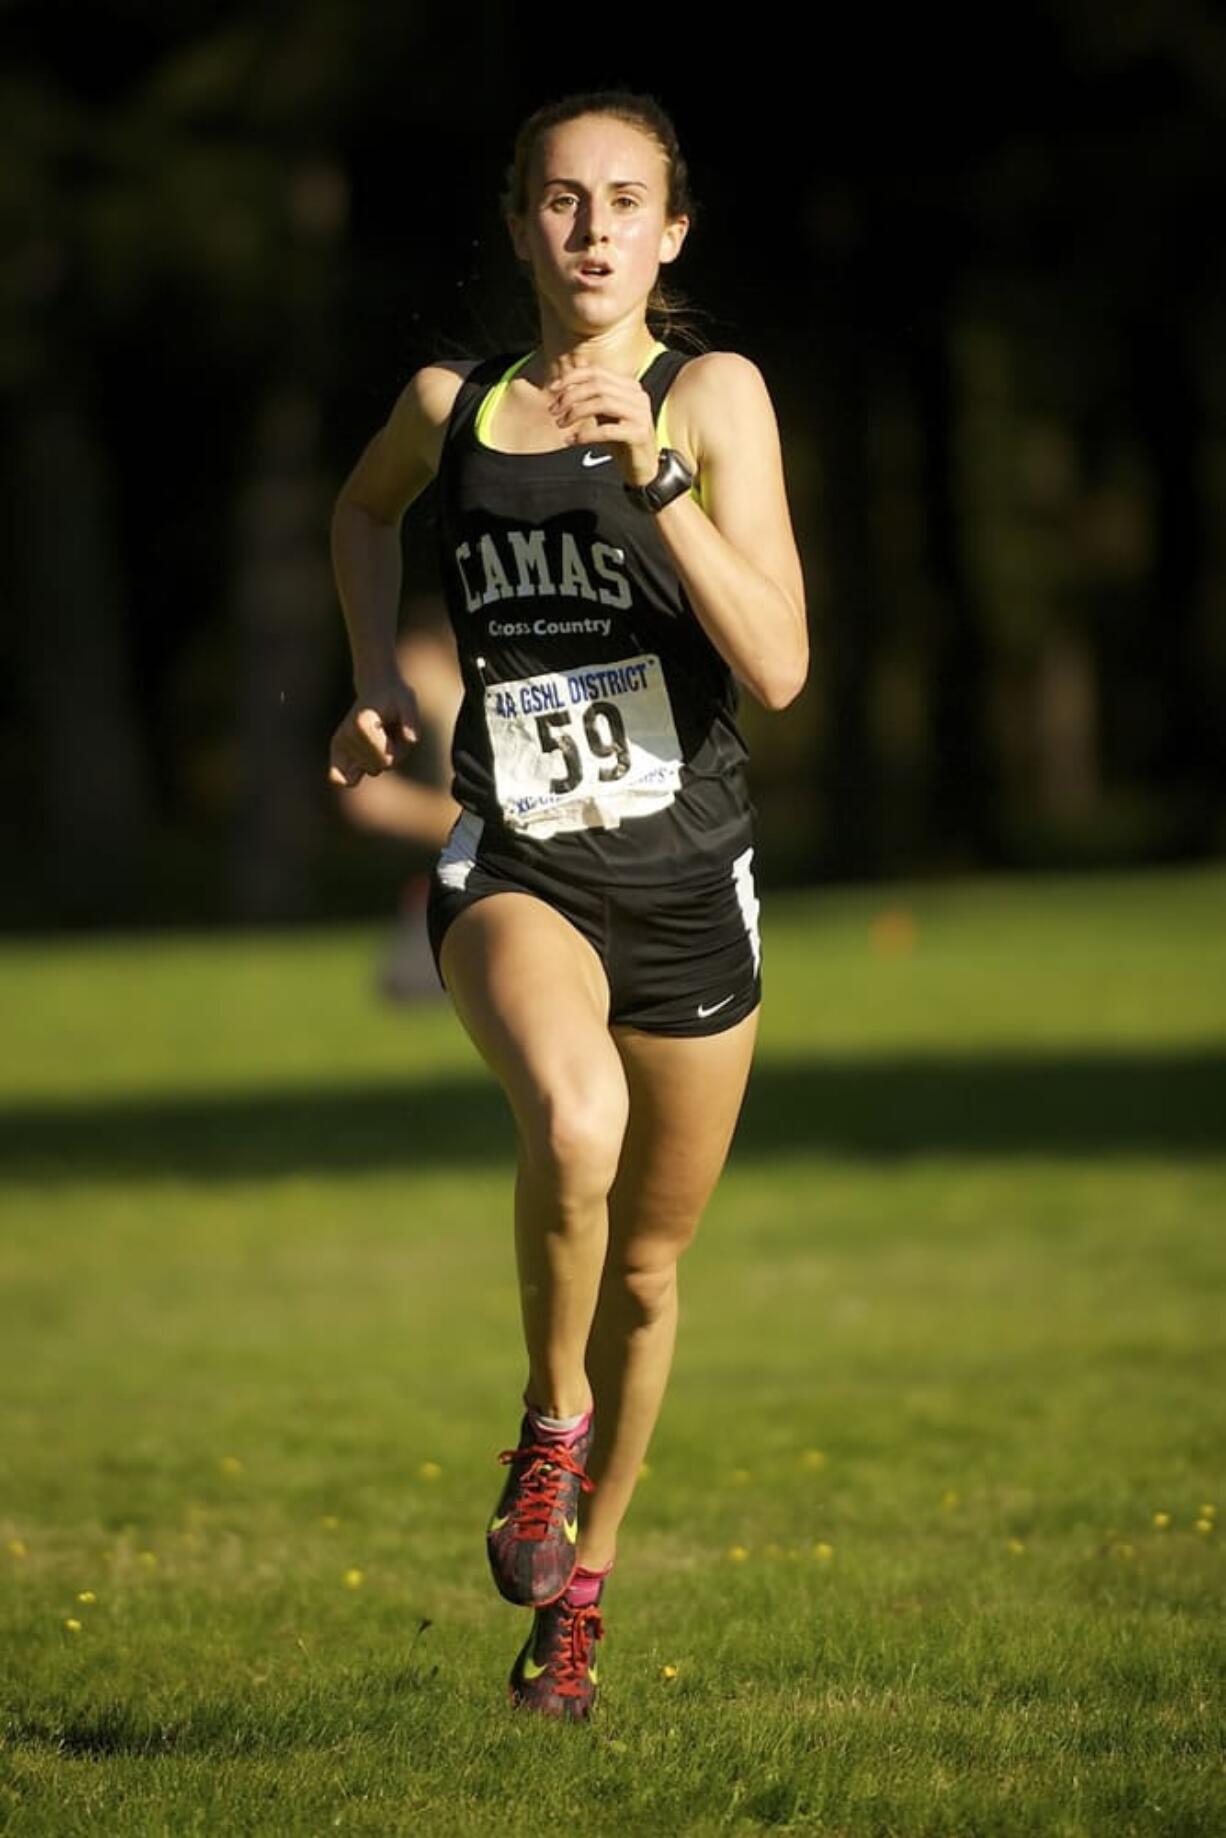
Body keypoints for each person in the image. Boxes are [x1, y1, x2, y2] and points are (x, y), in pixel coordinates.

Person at [328, 89, 807, 1722]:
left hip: (688, 887)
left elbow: (782, 669)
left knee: (653, 1274)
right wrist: (369, 681)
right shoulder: (449, 404)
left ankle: (579, 1592)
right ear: (521, 221)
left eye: (624, 200)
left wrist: (657, 475)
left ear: (671, 230)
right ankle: (548, 1427)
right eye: (558, 198)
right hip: (519, 868)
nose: (591, 228)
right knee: (573, 1119)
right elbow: (357, 509)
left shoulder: (715, 396)